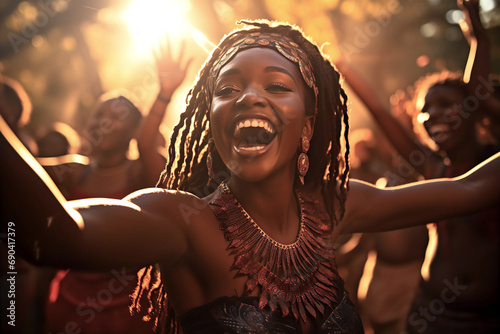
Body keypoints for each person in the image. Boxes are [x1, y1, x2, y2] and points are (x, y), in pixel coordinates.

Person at [1, 20, 500, 334]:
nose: (248, 97)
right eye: (228, 87)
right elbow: (52, 236)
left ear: (308, 125)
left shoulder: (332, 206)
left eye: (277, 85)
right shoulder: (180, 219)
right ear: (211, 117)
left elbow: (473, 188)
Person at [334, 1, 500, 333]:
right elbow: (381, 114)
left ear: (472, 110)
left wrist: (479, 41)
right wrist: (342, 67)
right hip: (427, 311)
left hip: (484, 319)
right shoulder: (432, 166)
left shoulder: (492, 166)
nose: (433, 115)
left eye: (446, 104)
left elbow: (480, 96)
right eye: (425, 109)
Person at [36, 39, 191, 334]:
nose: (103, 122)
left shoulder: (141, 171)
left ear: (134, 129)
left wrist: (164, 93)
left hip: (132, 312)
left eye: (115, 118)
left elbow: (147, 143)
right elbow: (27, 173)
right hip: (68, 304)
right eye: (99, 115)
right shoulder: (75, 171)